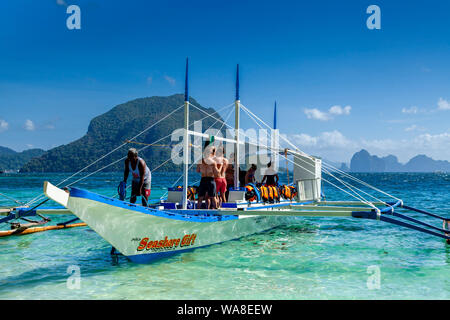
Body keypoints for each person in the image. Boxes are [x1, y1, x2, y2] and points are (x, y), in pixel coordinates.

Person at [196, 144, 218, 209]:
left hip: (203, 179)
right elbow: (216, 173)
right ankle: (216, 211)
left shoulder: (200, 161)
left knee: (200, 197)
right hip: (210, 179)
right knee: (213, 197)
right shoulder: (213, 162)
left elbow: (197, 170)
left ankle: (198, 211)